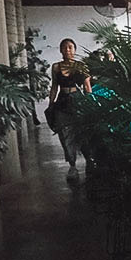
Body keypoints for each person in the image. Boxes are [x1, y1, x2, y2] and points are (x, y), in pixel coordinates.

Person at [48, 38, 92, 182]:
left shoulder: (81, 66)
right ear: (60, 50)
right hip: (62, 102)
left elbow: (87, 87)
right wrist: (51, 103)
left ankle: (89, 160)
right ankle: (72, 165)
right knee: (65, 134)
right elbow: (54, 86)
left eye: (70, 47)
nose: (67, 50)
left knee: (83, 132)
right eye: (65, 47)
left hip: (78, 100)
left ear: (75, 50)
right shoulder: (56, 67)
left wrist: (90, 103)